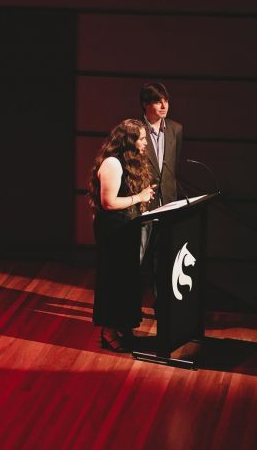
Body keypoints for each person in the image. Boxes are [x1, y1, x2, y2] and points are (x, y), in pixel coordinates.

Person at [89, 119, 156, 352]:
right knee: (113, 280)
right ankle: (108, 332)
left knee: (126, 280)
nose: (145, 142)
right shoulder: (112, 164)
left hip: (126, 228)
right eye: (141, 138)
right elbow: (108, 203)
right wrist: (139, 198)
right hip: (114, 231)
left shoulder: (130, 162)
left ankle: (122, 326)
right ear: (128, 141)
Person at [139, 82, 184, 272]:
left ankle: (162, 302)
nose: (164, 106)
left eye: (166, 101)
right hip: (143, 204)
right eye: (158, 102)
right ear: (145, 104)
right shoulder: (136, 130)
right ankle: (131, 300)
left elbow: (173, 167)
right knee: (139, 256)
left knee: (164, 259)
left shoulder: (176, 129)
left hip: (168, 202)